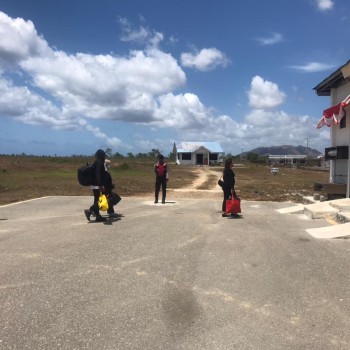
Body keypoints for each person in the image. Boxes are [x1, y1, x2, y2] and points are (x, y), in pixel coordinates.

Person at [84, 149, 107, 222]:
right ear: (101, 155)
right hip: (96, 184)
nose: (104, 156)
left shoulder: (97, 161)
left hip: (94, 183)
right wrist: (100, 185)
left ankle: (98, 216)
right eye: (103, 155)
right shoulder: (99, 162)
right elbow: (98, 174)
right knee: (99, 200)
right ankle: (89, 210)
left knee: (96, 199)